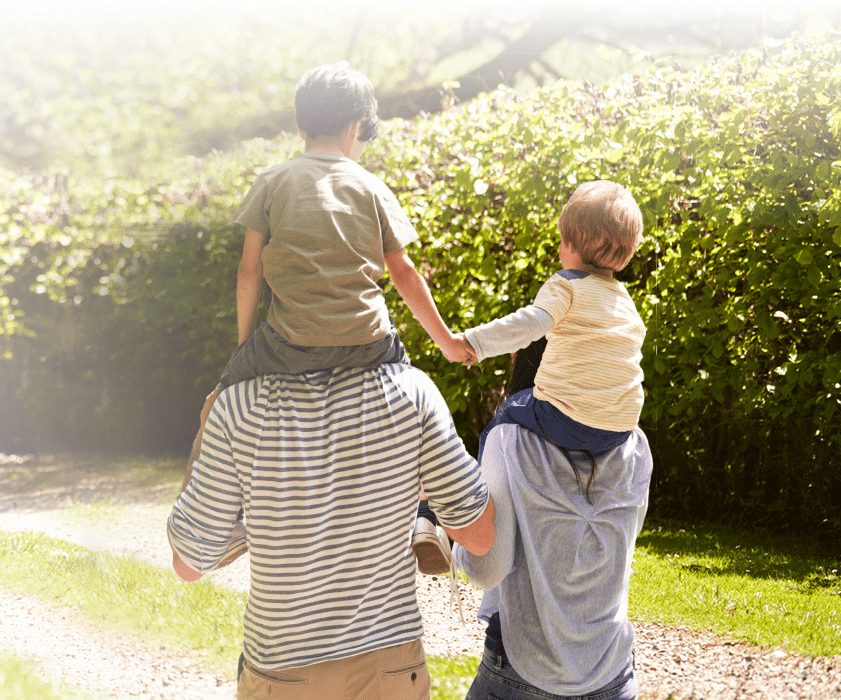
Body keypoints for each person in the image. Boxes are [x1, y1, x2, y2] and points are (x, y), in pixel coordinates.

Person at [188, 61, 474, 575]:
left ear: (301, 126)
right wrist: (449, 340)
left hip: (290, 342)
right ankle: (423, 519)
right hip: (369, 341)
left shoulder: (272, 182)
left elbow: (249, 270)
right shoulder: (370, 186)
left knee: (218, 405)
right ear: (353, 128)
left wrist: (243, 348)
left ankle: (227, 521)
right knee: (419, 409)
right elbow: (404, 273)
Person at [168, 362, 496, 700]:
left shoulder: (238, 402)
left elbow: (189, 564)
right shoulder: (411, 390)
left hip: (284, 672)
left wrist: (206, 432)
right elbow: (480, 536)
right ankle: (420, 516)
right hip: (389, 669)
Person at [453, 340, 652, 700]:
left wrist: (458, 540)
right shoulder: (636, 445)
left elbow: (488, 569)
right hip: (612, 674)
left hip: (523, 671)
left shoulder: (508, 438)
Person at [457, 180, 647, 457]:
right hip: (620, 427)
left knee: (504, 417)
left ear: (569, 244)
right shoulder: (624, 300)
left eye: (560, 239)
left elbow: (532, 324)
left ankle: (482, 487)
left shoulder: (567, 284)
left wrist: (474, 342)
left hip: (564, 420)